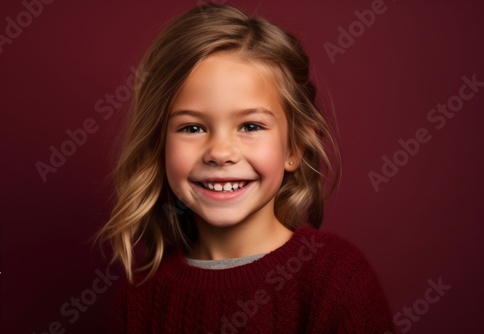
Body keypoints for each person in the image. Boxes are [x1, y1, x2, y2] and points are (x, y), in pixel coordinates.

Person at [97, 3, 395, 333]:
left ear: (294, 147)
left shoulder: (336, 280)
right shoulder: (140, 297)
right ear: (159, 148)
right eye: (193, 128)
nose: (221, 153)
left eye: (251, 126)